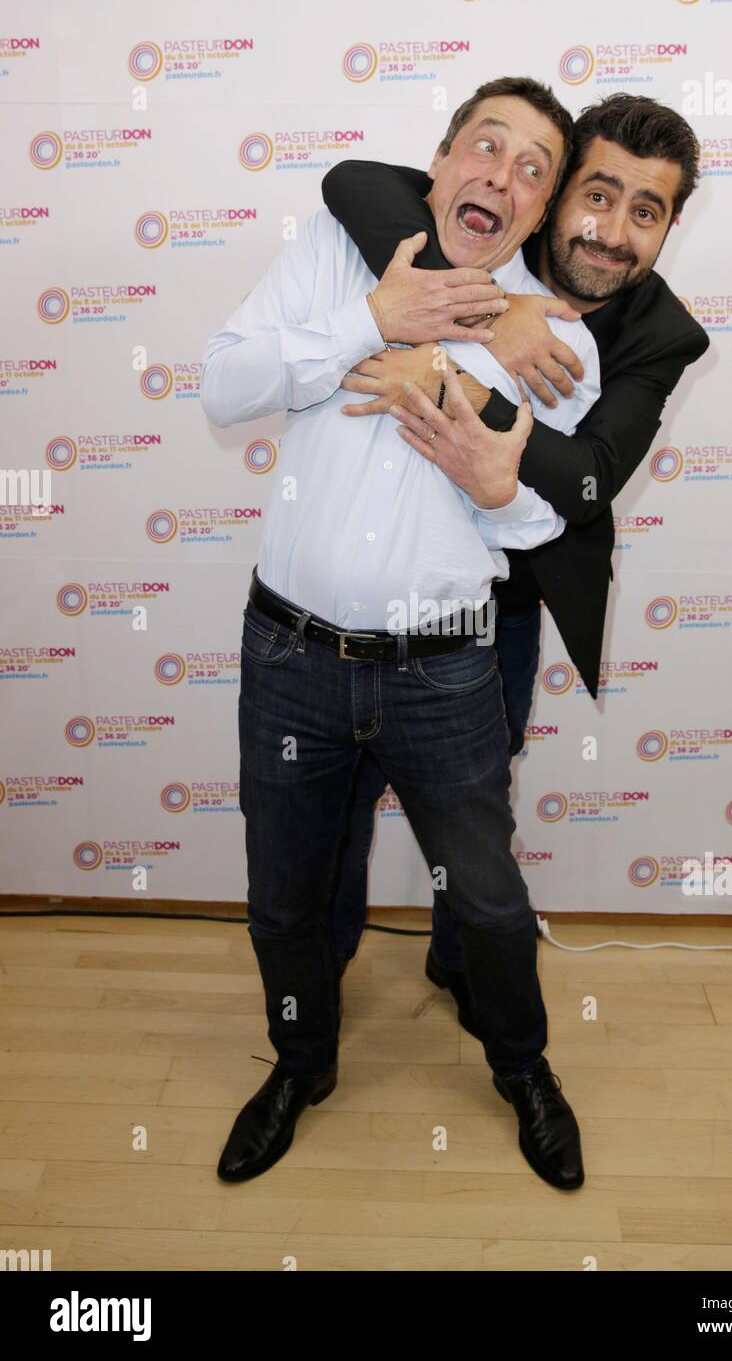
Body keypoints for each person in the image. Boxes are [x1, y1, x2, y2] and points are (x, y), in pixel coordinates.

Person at [200, 77, 601, 1191]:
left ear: (540, 209)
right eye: (487, 147)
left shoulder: (554, 342)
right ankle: (299, 1062)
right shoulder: (338, 256)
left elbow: (540, 521)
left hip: (447, 673)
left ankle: (521, 1069)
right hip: (289, 658)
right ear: (438, 162)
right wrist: (369, 324)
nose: (504, 177)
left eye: (534, 170)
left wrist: (495, 479)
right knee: (284, 895)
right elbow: (222, 386)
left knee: (485, 900)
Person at [320, 93, 712, 1029]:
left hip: (501, 605)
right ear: (552, 194)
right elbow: (353, 182)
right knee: (335, 808)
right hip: (371, 585)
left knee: (476, 821)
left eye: (645, 211)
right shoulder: (484, 229)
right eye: (597, 195)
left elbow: (586, 484)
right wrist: (491, 314)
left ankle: (469, 975)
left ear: (668, 229)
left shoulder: (663, 334)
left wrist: (451, 378)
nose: (612, 233)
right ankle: (317, 981)